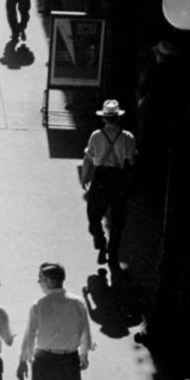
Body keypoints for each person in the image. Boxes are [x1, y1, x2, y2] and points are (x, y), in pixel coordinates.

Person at [81, 100, 137, 267]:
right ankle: (113, 252)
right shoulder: (128, 137)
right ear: (118, 119)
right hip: (118, 178)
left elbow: (88, 158)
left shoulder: (96, 136)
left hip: (101, 177)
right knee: (118, 218)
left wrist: (85, 176)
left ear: (104, 119)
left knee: (94, 214)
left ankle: (100, 241)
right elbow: (132, 162)